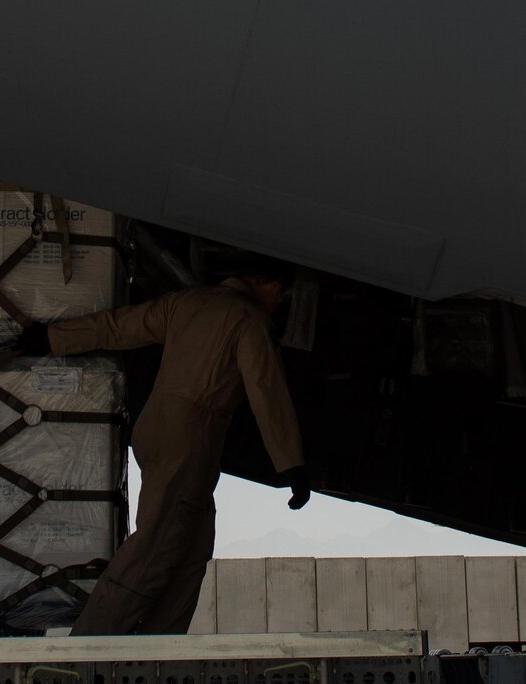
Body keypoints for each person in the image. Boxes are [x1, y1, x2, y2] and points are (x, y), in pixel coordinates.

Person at [16, 258, 307, 635]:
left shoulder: (187, 302)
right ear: (270, 285)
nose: (277, 303)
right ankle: (87, 649)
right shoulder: (247, 319)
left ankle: (161, 647)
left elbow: (119, 327)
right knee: (154, 549)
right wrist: (292, 465)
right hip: (191, 437)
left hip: (155, 427)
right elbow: (266, 392)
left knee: (192, 546)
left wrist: (54, 338)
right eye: (280, 295)